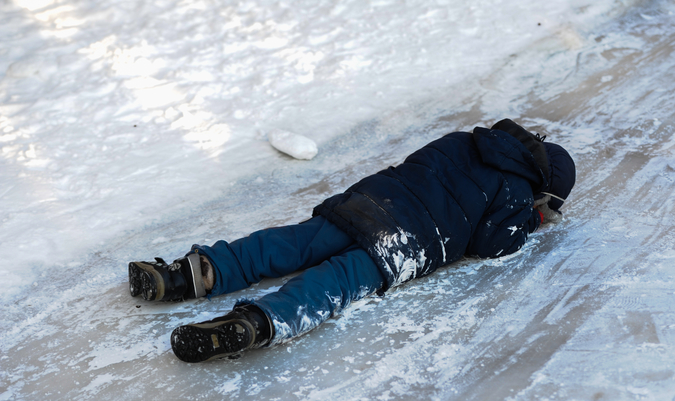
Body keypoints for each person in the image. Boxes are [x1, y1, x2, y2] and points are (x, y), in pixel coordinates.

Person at [128, 119, 576, 363]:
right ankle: (257, 323)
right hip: (404, 241)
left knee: (290, 244)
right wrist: (531, 220)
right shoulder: (516, 194)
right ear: (543, 186)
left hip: (366, 202)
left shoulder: (465, 138)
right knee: (334, 283)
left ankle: (191, 273)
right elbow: (492, 242)